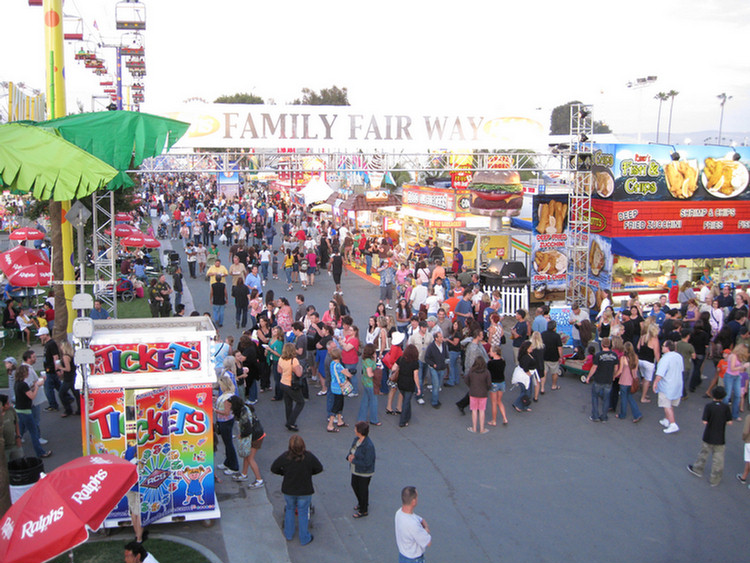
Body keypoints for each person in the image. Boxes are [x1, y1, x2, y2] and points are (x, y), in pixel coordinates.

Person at [270, 435, 323, 546]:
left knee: (290, 509)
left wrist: (284, 473)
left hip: (289, 489)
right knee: (303, 512)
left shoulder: (285, 457)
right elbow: (319, 468)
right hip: (305, 490)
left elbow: (274, 468)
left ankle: (288, 534)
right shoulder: (309, 457)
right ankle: (304, 538)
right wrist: (309, 473)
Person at [687, 387, 733, 486]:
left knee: (703, 453)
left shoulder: (709, 406)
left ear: (713, 395)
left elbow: (705, 421)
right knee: (718, 459)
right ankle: (715, 479)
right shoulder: (725, 407)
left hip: (708, 435)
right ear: (723, 396)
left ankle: (698, 469)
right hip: (720, 437)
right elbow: (729, 422)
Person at [13, 364, 51, 458]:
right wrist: (37, 387)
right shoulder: (23, 384)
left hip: (19, 410)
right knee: (34, 432)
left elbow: (27, 392)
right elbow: (32, 396)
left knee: (20, 429)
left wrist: (34, 387)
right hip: (26, 411)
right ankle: (40, 452)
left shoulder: (17, 383)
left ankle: (15, 447)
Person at [229, 395, 266, 489]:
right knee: (247, 456)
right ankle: (244, 474)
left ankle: (259, 480)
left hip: (255, 436)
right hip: (257, 433)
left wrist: (241, 435)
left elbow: (248, 430)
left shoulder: (243, 414)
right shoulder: (245, 408)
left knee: (250, 458)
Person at [654, 340, 685, 434]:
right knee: (670, 402)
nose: (662, 347)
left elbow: (660, 373)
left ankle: (673, 423)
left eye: (663, 346)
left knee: (666, 404)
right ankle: (667, 419)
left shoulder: (665, 359)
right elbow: (682, 369)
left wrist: (655, 382)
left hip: (666, 385)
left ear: (667, 348)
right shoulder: (678, 356)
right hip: (677, 383)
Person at [395, 486, 431, 563]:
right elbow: (428, 542)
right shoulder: (413, 525)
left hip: (403, 555)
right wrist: (426, 529)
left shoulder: (399, 513)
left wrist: (423, 524)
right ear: (413, 501)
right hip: (414, 559)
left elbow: (420, 519)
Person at [585, 337, 618, 422]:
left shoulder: (598, 355)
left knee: (595, 397)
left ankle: (595, 416)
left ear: (602, 345)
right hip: (608, 380)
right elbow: (616, 368)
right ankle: (604, 416)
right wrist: (614, 376)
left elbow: (594, 367)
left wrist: (588, 377)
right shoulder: (614, 355)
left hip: (599, 379)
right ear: (609, 345)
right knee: (606, 398)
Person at [348, 421, 376, 519]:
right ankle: (361, 503)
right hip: (356, 469)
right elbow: (351, 450)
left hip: (364, 472)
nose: (354, 430)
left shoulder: (368, 446)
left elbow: (367, 463)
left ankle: (363, 510)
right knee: (354, 485)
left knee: (363, 490)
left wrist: (353, 460)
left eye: (355, 429)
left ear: (360, 432)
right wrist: (349, 456)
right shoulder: (357, 440)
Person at [213, 375, 239, 475]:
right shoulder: (227, 395)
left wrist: (215, 410)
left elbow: (226, 412)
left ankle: (234, 466)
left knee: (228, 444)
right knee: (227, 443)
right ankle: (228, 462)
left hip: (225, 422)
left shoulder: (227, 398)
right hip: (224, 421)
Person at [278, 342, 305, 431]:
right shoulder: (294, 360)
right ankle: (291, 421)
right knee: (300, 402)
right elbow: (299, 373)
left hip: (283, 383)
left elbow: (279, 370)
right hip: (291, 384)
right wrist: (300, 367)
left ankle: (289, 421)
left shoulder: (281, 358)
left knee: (288, 403)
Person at [614, 342, 643, 422]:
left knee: (623, 398)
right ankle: (637, 414)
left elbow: (620, 371)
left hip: (624, 380)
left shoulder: (623, 358)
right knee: (630, 397)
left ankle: (622, 414)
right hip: (632, 380)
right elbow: (636, 370)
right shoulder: (636, 357)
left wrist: (614, 376)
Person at [327, 347, 352, 432]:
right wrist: (349, 372)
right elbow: (349, 375)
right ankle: (330, 424)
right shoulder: (339, 366)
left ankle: (340, 420)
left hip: (334, 386)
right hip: (339, 387)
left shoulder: (332, 364)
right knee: (337, 405)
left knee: (340, 403)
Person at [395, 344, 420, 428]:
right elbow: (415, 376)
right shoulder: (415, 363)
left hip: (401, 382)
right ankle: (402, 421)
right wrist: (418, 388)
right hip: (409, 384)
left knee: (406, 399)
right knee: (406, 402)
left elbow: (393, 368)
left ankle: (408, 416)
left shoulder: (401, 359)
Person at [723, 344, 749, 421]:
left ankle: (735, 414)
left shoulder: (738, 356)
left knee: (738, 395)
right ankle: (723, 413)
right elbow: (732, 368)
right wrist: (743, 366)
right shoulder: (733, 356)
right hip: (730, 376)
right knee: (727, 396)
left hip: (737, 376)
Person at [465, 356, 491, 434]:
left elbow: (466, 380)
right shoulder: (486, 372)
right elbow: (489, 384)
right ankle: (482, 428)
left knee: (474, 410)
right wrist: (486, 389)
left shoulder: (471, 371)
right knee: (482, 410)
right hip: (483, 393)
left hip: (473, 392)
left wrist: (471, 386)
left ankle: (474, 428)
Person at [358, 344, 381, 426]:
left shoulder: (365, 359)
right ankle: (374, 419)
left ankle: (361, 418)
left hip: (365, 382)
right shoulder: (369, 361)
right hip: (371, 383)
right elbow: (370, 374)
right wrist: (376, 373)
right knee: (374, 401)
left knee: (365, 400)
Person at [487, 345, 508, 426]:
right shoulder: (503, 361)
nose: (490, 353)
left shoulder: (490, 363)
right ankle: (504, 418)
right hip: (502, 382)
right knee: (499, 401)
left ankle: (494, 420)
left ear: (495, 353)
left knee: (494, 402)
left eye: (491, 351)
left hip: (494, 383)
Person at [58, 341, 79, 417]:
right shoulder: (71, 355)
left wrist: (61, 368)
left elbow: (68, 368)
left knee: (61, 393)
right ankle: (79, 409)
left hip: (68, 378)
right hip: (73, 376)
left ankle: (68, 410)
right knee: (76, 394)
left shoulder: (65, 357)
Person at [1, 393, 23, 462]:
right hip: (3, 448)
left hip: (14, 444)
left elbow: (16, 423)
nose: (9, 405)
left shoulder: (11, 410)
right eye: (7, 404)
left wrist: (18, 436)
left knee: (20, 461)